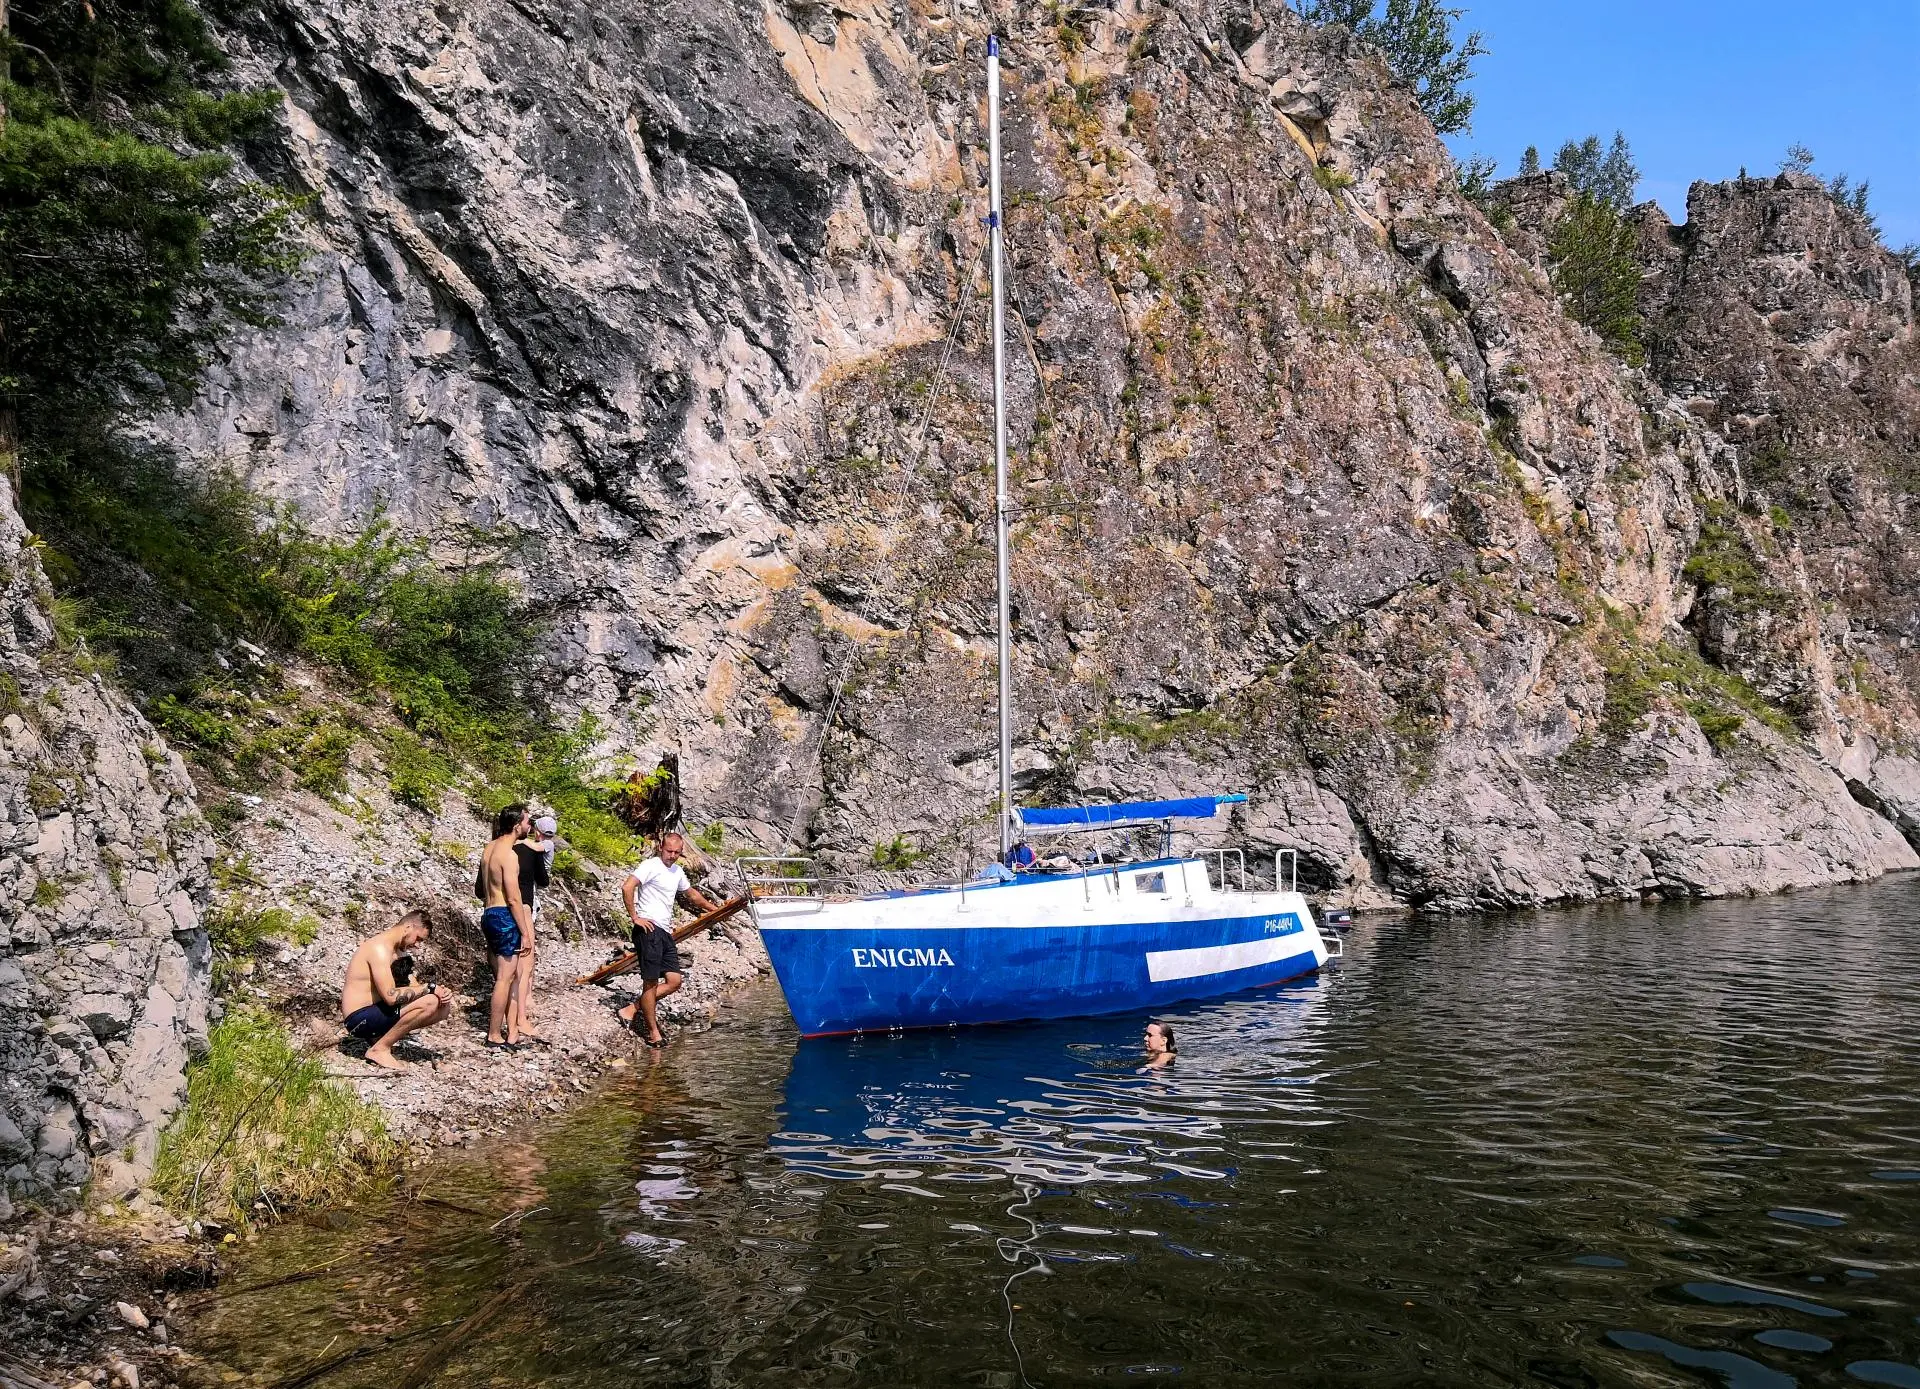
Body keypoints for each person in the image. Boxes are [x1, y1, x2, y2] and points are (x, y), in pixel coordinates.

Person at [618, 831, 717, 1047]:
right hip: (648, 930)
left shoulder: (677, 871)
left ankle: (631, 1009)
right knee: (651, 982)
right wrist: (635, 917)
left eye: (676, 852)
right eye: (669, 851)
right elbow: (627, 886)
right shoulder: (650, 865)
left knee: (674, 981)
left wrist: (714, 909)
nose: (672, 855)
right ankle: (654, 1033)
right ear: (661, 848)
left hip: (664, 931)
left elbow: (691, 894)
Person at [339, 910, 454, 1071]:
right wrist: (429, 988)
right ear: (408, 927)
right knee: (429, 1002)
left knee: (442, 1006)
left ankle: (379, 1039)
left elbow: (414, 988)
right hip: (358, 1020)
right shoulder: (379, 949)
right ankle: (379, 1050)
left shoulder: (399, 951)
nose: (417, 945)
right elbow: (390, 997)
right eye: (418, 938)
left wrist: (440, 993)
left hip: (376, 1012)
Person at [477, 803, 534, 1047]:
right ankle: (493, 1034)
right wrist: (525, 933)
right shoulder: (509, 856)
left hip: (488, 913)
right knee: (504, 978)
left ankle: (512, 1032)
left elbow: (480, 889)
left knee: (510, 977)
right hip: (503, 916)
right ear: (517, 825)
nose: (530, 826)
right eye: (528, 822)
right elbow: (513, 898)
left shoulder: (489, 849)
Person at [509, 814, 558, 1044]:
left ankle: (524, 996)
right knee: (527, 950)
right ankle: (525, 998)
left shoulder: (542, 846)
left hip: (529, 896)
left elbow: (535, 849)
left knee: (523, 951)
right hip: (530, 898)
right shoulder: (540, 847)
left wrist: (520, 841)